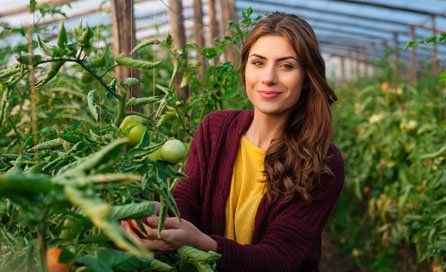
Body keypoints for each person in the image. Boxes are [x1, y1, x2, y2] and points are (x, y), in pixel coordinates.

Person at [122, 11, 345, 271]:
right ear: (245, 68)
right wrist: (156, 216)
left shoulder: (322, 160)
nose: (268, 77)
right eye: (258, 62)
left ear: (307, 78)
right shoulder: (214, 129)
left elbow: (278, 258)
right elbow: (186, 200)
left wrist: (205, 244)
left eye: (286, 66)